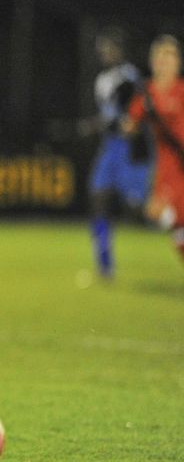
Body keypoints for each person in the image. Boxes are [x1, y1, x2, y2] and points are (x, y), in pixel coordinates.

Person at [84, 26, 148, 279]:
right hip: (109, 149)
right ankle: (105, 264)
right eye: (102, 49)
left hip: (129, 150)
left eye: (110, 48)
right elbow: (108, 116)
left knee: (146, 209)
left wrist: (119, 122)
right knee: (98, 199)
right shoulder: (102, 79)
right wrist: (97, 124)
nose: (105, 53)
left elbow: (135, 114)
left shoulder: (130, 76)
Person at [124, 34, 184, 264]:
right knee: (162, 215)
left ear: (178, 62)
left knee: (176, 224)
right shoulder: (147, 94)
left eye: (169, 55)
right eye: (160, 56)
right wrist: (124, 124)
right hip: (170, 169)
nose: (164, 61)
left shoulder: (181, 90)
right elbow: (130, 124)